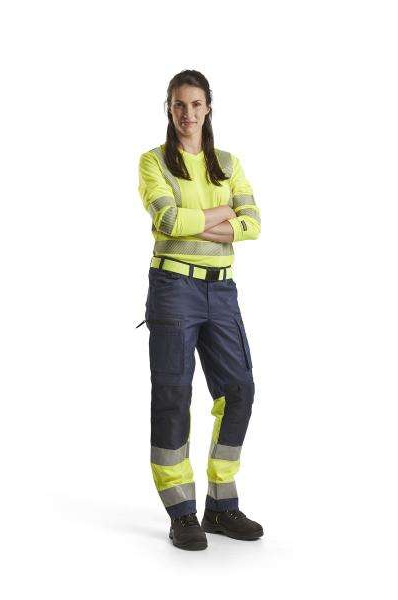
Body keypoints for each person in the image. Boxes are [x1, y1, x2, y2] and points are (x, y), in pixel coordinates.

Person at [136, 69, 263, 550]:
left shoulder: (228, 163)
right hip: (173, 288)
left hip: (222, 291)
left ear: (208, 108)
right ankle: (181, 512)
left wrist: (198, 222)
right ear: (169, 110)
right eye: (178, 105)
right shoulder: (154, 162)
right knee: (173, 395)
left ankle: (221, 506)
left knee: (239, 390)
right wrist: (224, 214)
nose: (187, 114)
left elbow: (254, 223)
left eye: (195, 104)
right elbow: (167, 219)